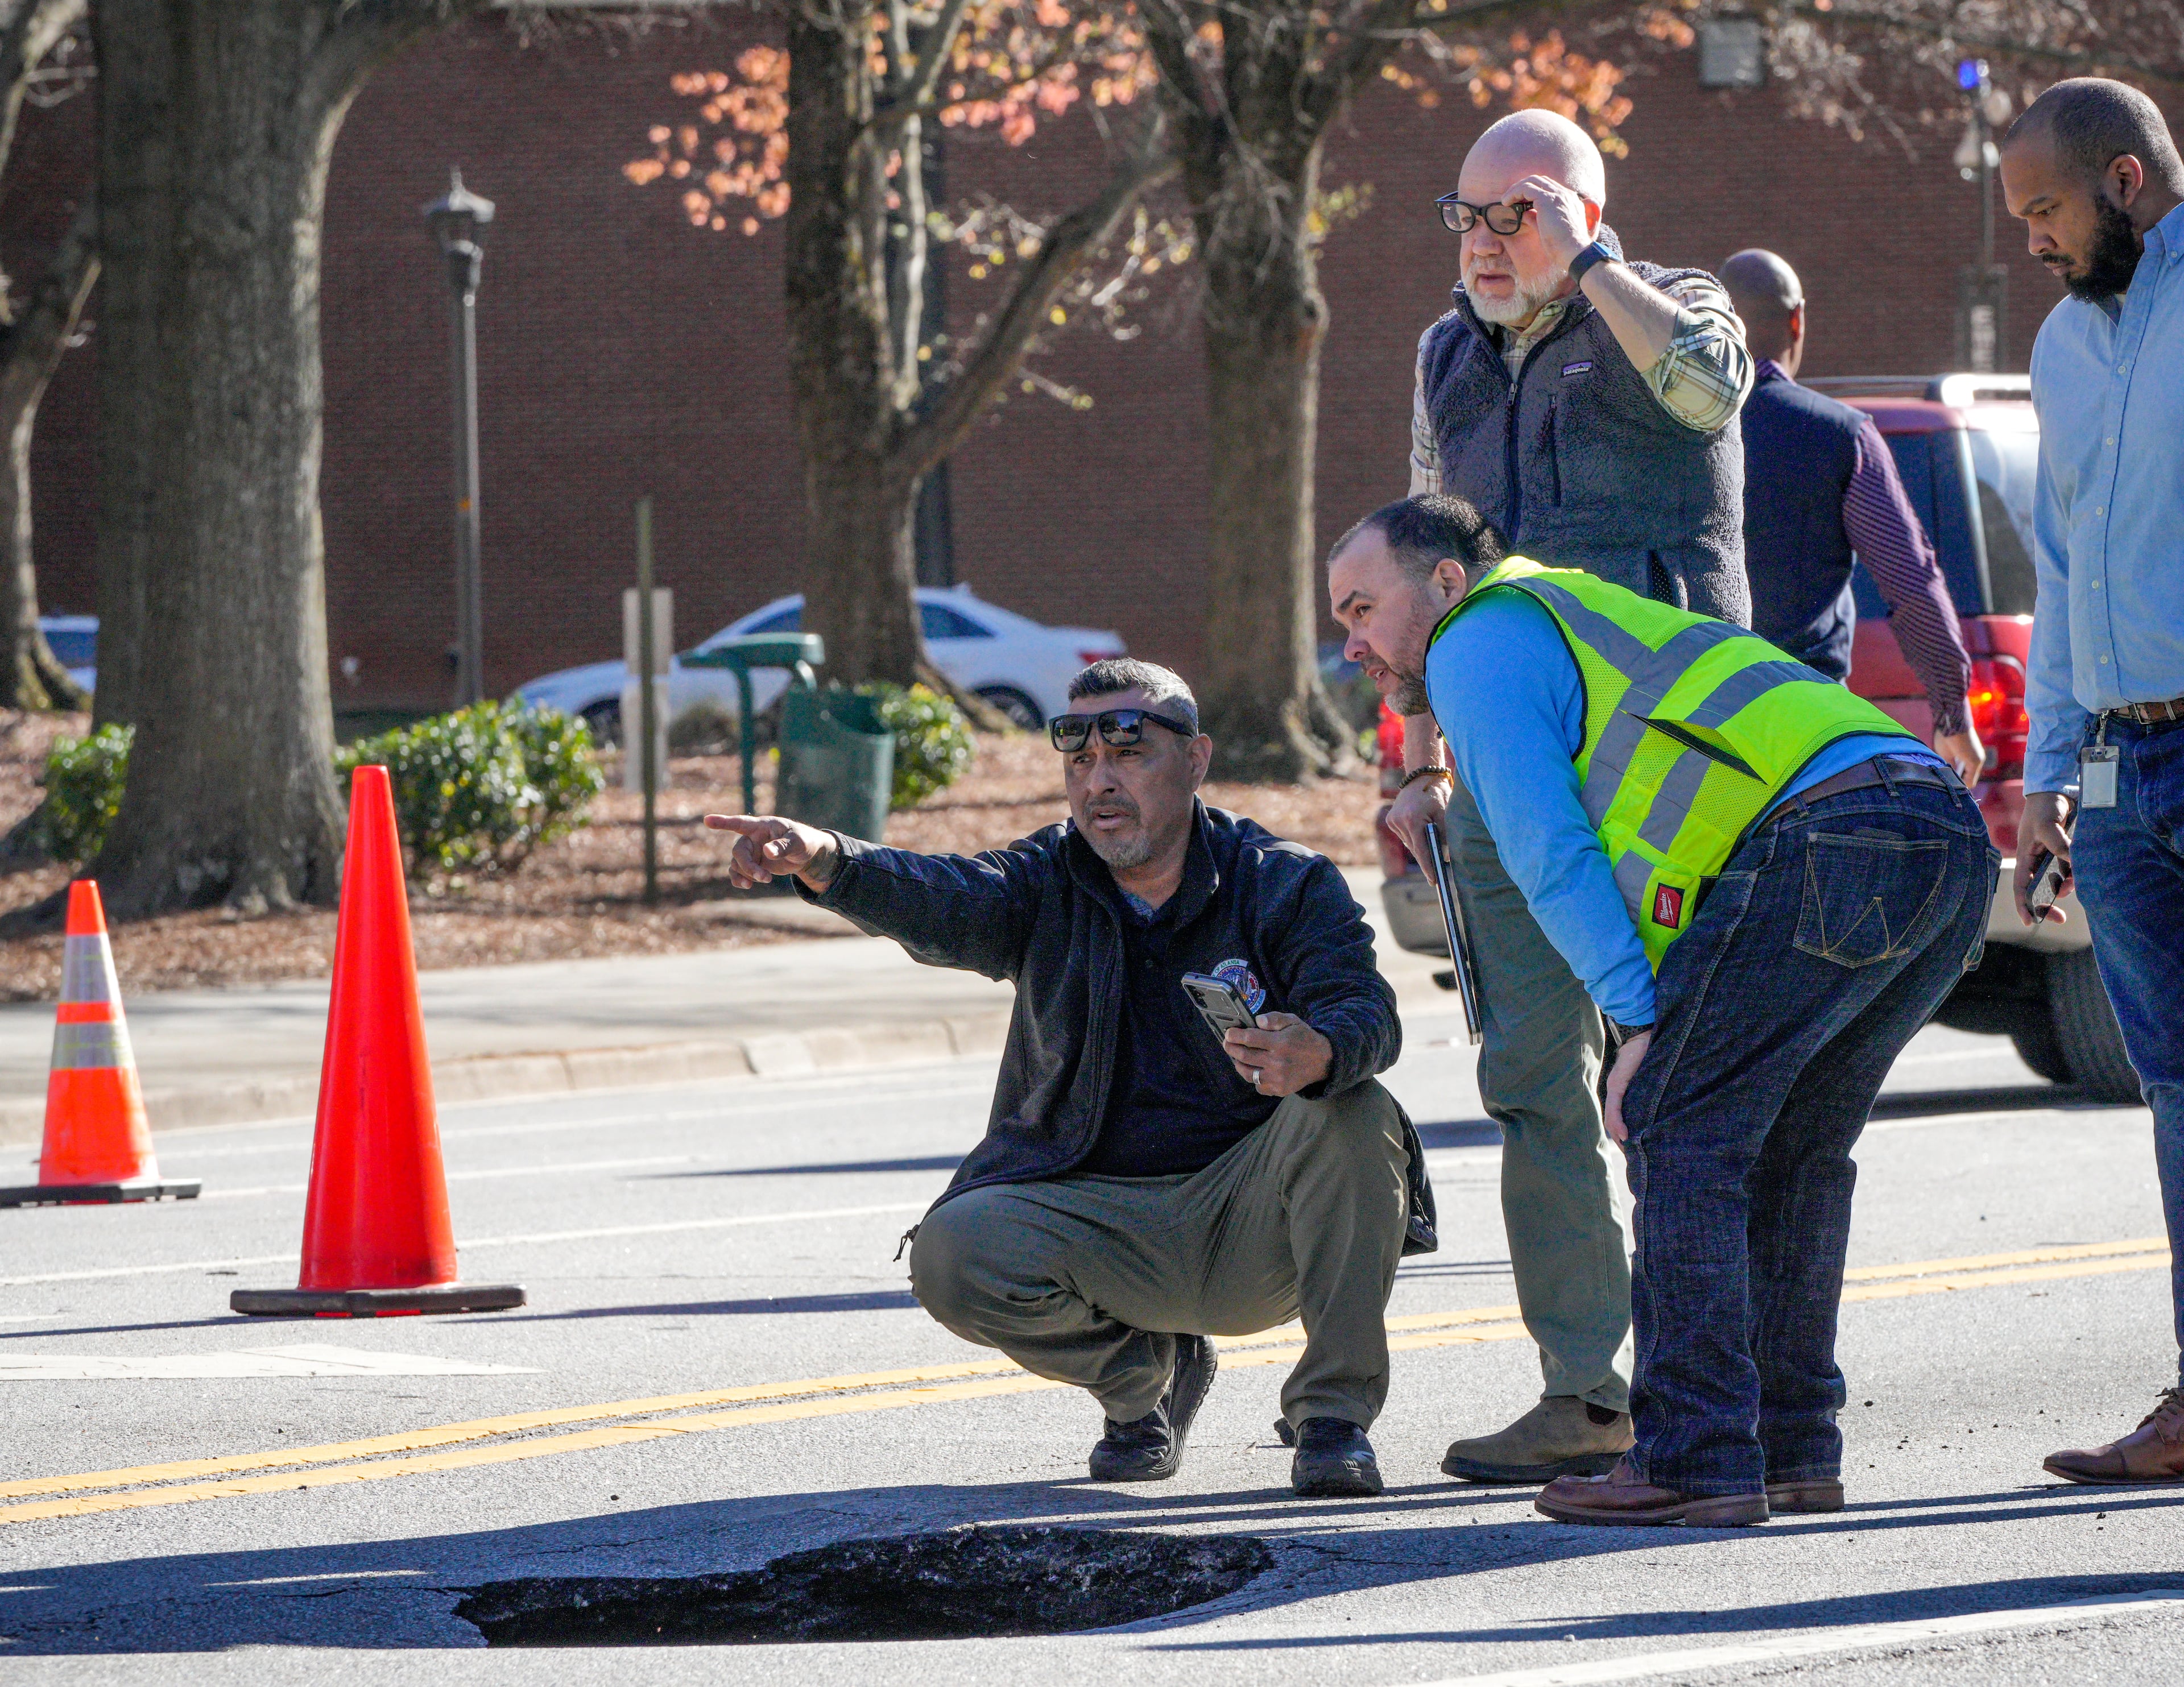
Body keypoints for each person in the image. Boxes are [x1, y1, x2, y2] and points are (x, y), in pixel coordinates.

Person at [1330, 495, 1996, 1526]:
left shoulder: (1479, 642)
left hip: (1824, 834)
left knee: (1677, 1129)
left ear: (1449, 583)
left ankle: (1695, 1455)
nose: (1355, 640)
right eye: (1341, 617)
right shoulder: (1582, 615)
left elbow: (1549, 852)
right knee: (1792, 1154)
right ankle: (1789, 1449)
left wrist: (1640, 1028)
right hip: (1940, 833)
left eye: (1365, 606)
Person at [704, 658, 1436, 1499]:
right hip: (1099, 1217)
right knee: (953, 1252)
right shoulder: (1044, 881)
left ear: (1195, 760)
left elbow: (1366, 1009)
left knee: (1355, 1109)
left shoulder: (1282, 879)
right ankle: (1143, 1388)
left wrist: (1321, 1048)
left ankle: (1333, 1418)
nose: (1101, 783)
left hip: (1253, 1219)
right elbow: (943, 897)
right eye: (1080, 762)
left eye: (1128, 755)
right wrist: (828, 859)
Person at [1393, 108, 1755, 1485]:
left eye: (1516, 213)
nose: (1486, 244)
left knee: (1681, 1083)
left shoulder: (1677, 310)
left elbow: (1710, 395)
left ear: (1584, 211)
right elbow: (1427, 550)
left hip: (1667, 772)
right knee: (1530, 1079)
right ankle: (1583, 1388)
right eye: (1467, 216)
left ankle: (1713, 1392)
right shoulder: (1442, 352)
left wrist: (1584, 265)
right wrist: (1416, 742)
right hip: (1499, 764)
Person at [1999, 77, 2184, 1486]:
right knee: (2172, 1086)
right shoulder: (2060, 347)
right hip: (2121, 770)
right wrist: (2042, 774)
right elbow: (2059, 573)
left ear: (2123, 182)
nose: (2033, 242)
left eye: (2046, 210)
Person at [1718, 249, 1984, 788]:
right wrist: (1953, 712)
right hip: (1804, 725)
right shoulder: (1839, 436)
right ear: (1798, 319)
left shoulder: (1675, 431)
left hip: (1689, 719)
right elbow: (1910, 581)